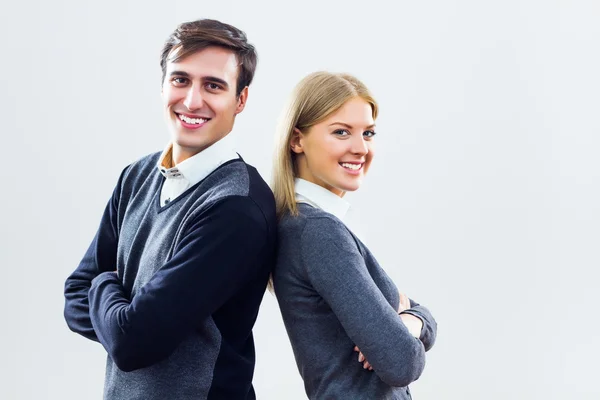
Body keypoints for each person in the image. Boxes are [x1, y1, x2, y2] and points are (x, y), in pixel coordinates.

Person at [63, 19, 277, 400]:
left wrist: (105, 284)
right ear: (163, 85)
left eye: (213, 85)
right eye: (180, 80)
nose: (192, 101)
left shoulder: (237, 207)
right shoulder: (137, 176)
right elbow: (74, 298)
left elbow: (133, 344)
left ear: (240, 100)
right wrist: (126, 321)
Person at [271, 71, 437, 399]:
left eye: (369, 133)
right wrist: (404, 321)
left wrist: (411, 321)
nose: (360, 148)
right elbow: (402, 362)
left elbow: (415, 321)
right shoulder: (318, 232)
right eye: (341, 132)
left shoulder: (305, 225)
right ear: (297, 140)